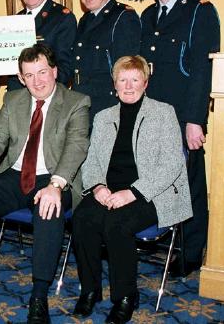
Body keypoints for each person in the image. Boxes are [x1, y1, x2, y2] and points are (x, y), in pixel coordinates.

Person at [0, 44, 90, 324]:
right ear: (21, 78)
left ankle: (39, 295)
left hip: (55, 176)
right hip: (16, 174)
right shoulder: (14, 100)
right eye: (29, 75)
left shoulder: (76, 102)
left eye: (42, 72)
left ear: (55, 71)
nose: (37, 81)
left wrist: (56, 186)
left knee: (49, 209)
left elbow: (76, 146)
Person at [72, 56, 192, 324]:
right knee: (83, 219)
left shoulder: (164, 112)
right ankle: (90, 291)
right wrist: (97, 186)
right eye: (122, 80)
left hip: (152, 193)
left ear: (145, 83)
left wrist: (133, 193)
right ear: (114, 84)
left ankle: (125, 296)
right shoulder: (104, 117)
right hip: (109, 189)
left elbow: (173, 164)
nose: (128, 86)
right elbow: (91, 161)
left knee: (117, 224)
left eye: (135, 79)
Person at [140, 0, 220, 277]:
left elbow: (202, 70)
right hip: (153, 115)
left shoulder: (200, 11)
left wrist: (195, 120)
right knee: (158, 181)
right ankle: (165, 239)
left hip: (182, 116)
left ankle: (189, 251)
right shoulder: (147, 16)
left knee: (188, 185)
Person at [72, 0, 141, 122]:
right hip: (83, 105)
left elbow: (126, 71)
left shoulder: (123, 17)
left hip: (108, 108)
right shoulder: (85, 20)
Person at [7, 0, 77, 90]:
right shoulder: (15, 21)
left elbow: (65, 70)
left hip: (47, 99)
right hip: (16, 98)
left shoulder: (62, 18)